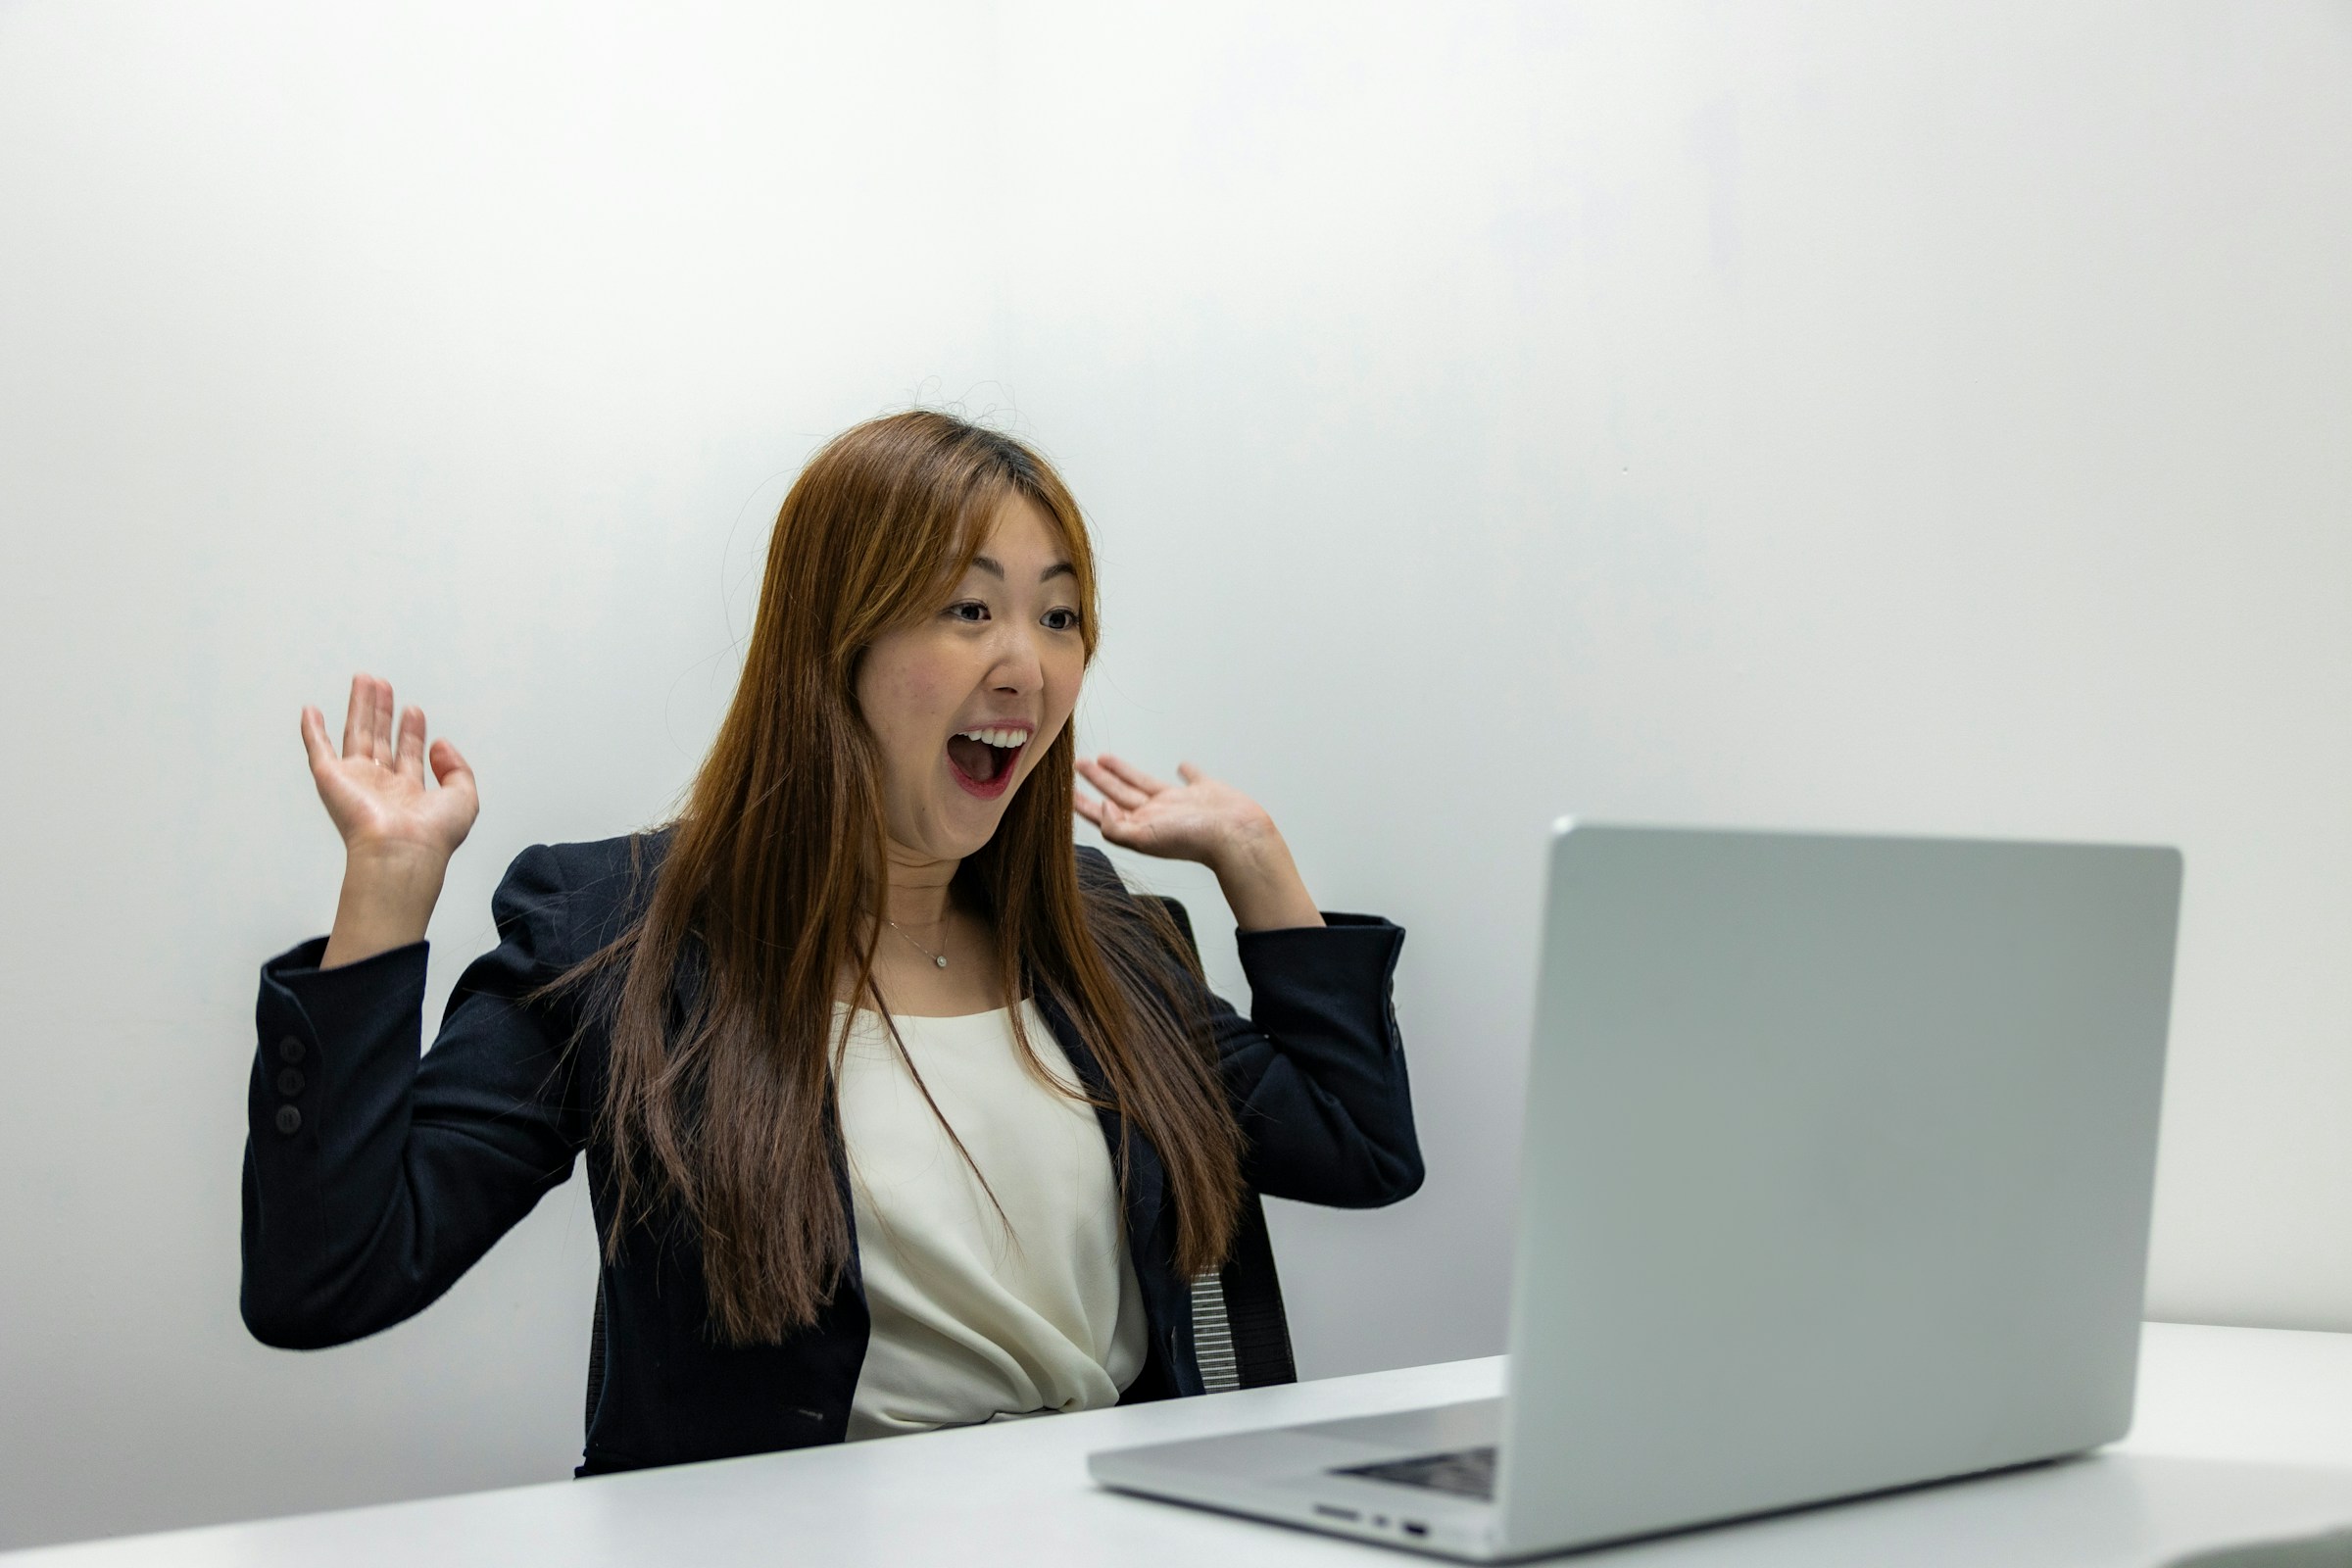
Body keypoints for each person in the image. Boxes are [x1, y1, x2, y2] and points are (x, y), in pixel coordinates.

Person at [240, 410, 1422, 1475]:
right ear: (833, 641)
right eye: (971, 609)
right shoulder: (615, 934)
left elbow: (1362, 1151)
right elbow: (329, 1276)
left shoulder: (1097, 932)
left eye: (1059, 615)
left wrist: (1258, 863)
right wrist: (389, 891)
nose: (1029, 662)